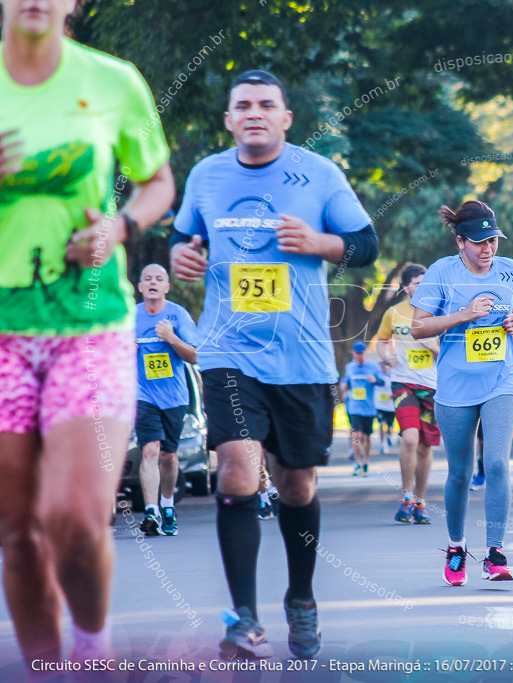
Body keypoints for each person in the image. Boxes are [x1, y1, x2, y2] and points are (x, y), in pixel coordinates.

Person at [170, 69, 378, 659]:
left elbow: (366, 243)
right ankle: (243, 618)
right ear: (229, 120)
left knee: (296, 484)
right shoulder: (206, 175)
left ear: (286, 117)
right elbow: (183, 236)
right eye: (243, 105)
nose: (255, 112)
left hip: (303, 355)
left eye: (267, 104)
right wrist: (183, 255)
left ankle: (302, 599)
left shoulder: (319, 173)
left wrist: (321, 244)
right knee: (237, 468)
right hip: (228, 350)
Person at [0, 0, 175, 664]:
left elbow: (157, 180)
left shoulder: (112, 81)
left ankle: (93, 650)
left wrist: (120, 227)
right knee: (18, 532)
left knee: (73, 518)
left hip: (89, 326)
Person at [411, 200, 513, 585]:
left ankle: (496, 552)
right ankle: (456, 547)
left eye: (493, 241)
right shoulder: (441, 273)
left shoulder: (509, 269)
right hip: (455, 385)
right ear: (461, 241)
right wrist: (464, 314)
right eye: (480, 242)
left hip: (503, 379)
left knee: (497, 462)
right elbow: (418, 328)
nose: (488, 249)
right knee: (460, 473)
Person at [134, 264, 198, 537]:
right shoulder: (130, 316)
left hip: (174, 396)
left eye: (159, 279)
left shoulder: (178, 314)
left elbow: (195, 356)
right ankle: (151, 511)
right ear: (140, 286)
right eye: (147, 278)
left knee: (168, 455)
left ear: (166, 287)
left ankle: (168, 505)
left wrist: (171, 337)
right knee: (150, 449)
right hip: (141, 393)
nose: (153, 282)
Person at [375, 263, 440, 524]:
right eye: (417, 283)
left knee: (425, 446)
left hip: (432, 387)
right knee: (410, 439)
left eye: (426, 283)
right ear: (405, 286)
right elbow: (381, 340)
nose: (421, 288)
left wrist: (431, 345)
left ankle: (421, 501)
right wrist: (385, 356)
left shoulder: (438, 311)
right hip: (403, 384)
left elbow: (447, 349)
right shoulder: (394, 313)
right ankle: (406, 496)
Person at [341, 340, 384, 477]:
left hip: (369, 408)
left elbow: (382, 381)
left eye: (361, 353)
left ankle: (366, 461)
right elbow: (345, 381)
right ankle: (357, 463)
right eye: (357, 353)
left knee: (366, 437)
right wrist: (343, 389)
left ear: (364, 353)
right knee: (356, 435)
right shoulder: (350, 367)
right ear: (353, 353)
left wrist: (374, 380)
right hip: (354, 407)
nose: (359, 356)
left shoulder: (373, 367)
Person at [374, 364, 395, 455]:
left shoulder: (393, 376)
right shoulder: (376, 376)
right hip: (380, 406)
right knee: (382, 424)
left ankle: (389, 436)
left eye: (385, 366)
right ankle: (383, 444)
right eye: (381, 366)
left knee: (390, 428)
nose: (383, 368)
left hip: (391, 407)